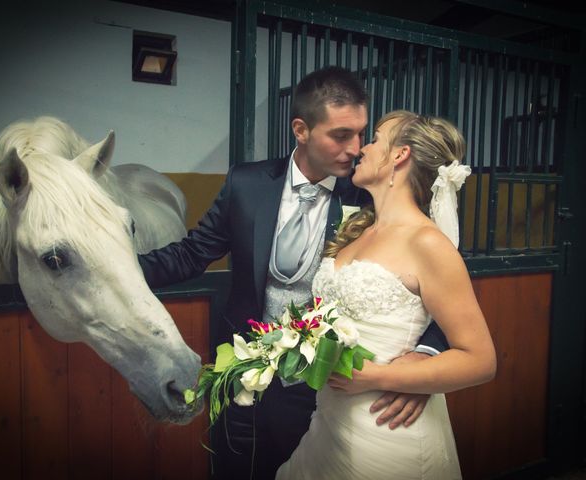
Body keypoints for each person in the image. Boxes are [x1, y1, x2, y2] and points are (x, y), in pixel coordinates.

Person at [138, 69, 449, 480]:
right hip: (241, 370)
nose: (355, 148)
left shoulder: (371, 194)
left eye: (361, 134)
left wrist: (422, 364)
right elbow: (193, 253)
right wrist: (116, 269)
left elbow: (440, 279)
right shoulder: (246, 183)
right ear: (301, 130)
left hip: (325, 385)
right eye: (341, 135)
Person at [275, 110, 497, 480]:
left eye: (376, 138)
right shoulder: (356, 229)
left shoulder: (427, 243)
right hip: (330, 426)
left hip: (386, 430)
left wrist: (381, 377)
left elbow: (481, 361)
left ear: (400, 155)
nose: (362, 148)